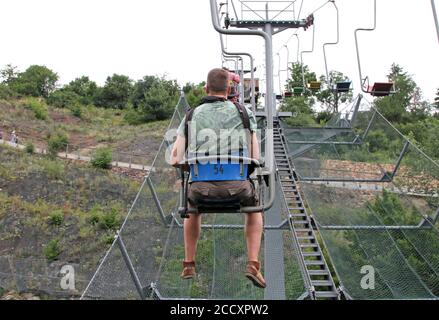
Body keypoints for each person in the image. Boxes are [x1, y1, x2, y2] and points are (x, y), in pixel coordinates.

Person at [170, 68, 266, 288]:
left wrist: (193, 166)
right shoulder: (243, 113)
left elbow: (175, 158)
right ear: (229, 89)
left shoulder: (191, 115)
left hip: (200, 189)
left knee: (193, 208)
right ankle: (252, 263)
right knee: (255, 211)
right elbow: (255, 157)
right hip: (239, 188)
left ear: (206, 88)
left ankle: (189, 263)